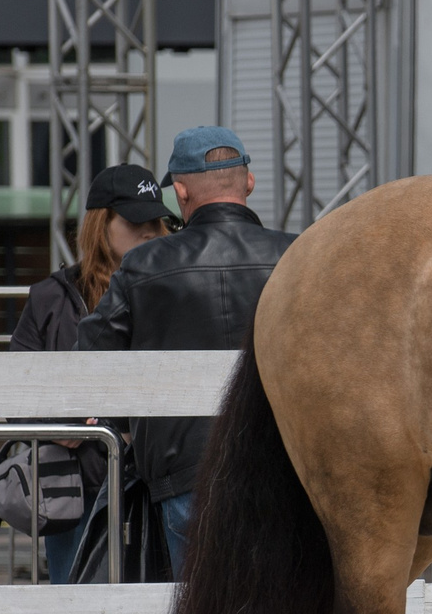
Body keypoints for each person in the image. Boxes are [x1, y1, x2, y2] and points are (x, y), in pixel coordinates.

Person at [77, 127, 296, 578]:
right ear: (248, 182)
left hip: (183, 474)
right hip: (283, 466)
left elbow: (92, 355)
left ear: (179, 191)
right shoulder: (297, 257)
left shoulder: (146, 263)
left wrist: (125, 424)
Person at [8, 165, 173, 614]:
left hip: (152, 480)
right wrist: (62, 425)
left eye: (159, 223)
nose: (152, 234)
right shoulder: (53, 297)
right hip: (76, 484)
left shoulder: (170, 285)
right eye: (139, 225)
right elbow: (18, 391)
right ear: (102, 226)